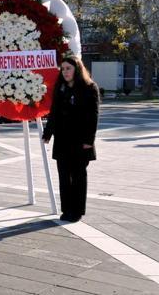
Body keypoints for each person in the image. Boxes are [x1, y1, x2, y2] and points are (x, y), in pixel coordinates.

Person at [43, 56, 100, 223]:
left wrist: (89, 140)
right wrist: (48, 133)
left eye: (68, 68)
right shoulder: (60, 88)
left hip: (81, 141)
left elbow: (93, 116)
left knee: (78, 176)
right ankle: (66, 209)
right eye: (63, 69)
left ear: (77, 69)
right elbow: (53, 112)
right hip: (62, 140)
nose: (65, 72)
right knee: (63, 176)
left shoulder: (90, 88)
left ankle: (77, 210)